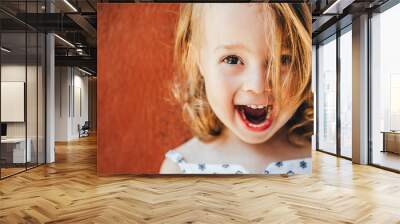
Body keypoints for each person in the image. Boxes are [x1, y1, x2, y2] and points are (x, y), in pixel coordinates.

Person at [160, 3, 313, 174]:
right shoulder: (181, 168)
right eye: (232, 59)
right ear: (197, 60)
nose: (257, 86)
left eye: (283, 59)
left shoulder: (325, 160)